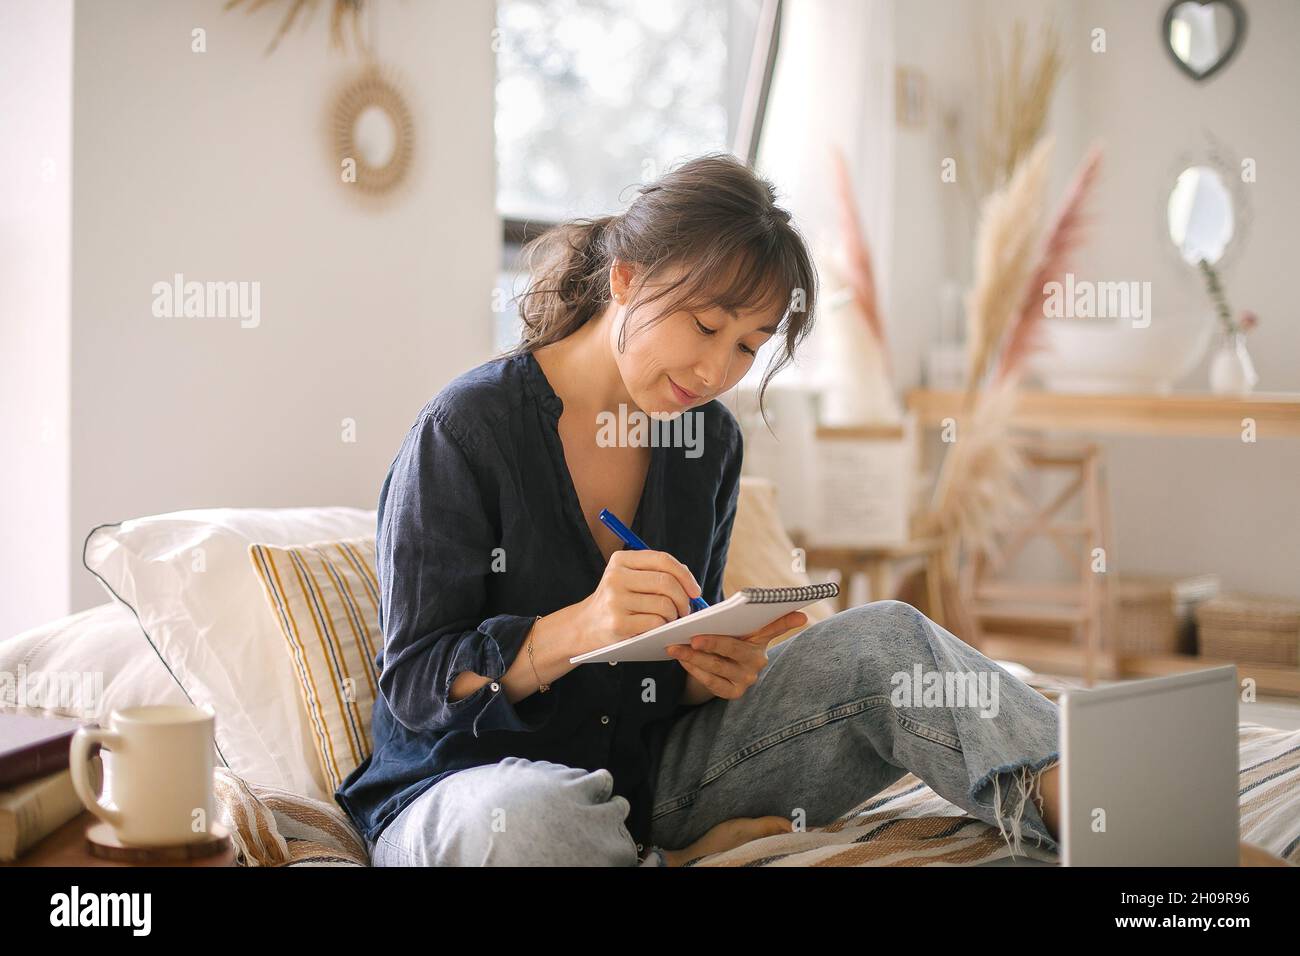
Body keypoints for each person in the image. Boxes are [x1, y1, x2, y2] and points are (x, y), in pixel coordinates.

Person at [334, 152, 1062, 867]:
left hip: (641, 780)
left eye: (749, 345)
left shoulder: (706, 441)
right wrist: (576, 629)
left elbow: (664, 677)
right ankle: (664, 861)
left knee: (890, 645)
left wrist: (708, 667)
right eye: (706, 327)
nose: (717, 372)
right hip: (462, 791)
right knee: (527, 821)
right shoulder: (466, 430)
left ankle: (1092, 803)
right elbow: (417, 684)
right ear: (625, 280)